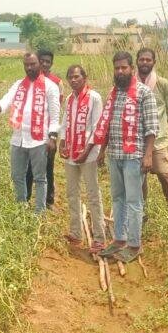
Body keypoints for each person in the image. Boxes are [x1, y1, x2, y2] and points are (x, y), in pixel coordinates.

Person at [95, 51, 158, 264]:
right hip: (115, 154)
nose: (120, 71)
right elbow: (107, 125)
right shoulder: (113, 92)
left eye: (124, 67)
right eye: (117, 68)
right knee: (117, 198)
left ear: (131, 68)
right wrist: (102, 151)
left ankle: (134, 244)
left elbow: (151, 127)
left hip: (134, 156)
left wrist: (148, 155)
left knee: (133, 201)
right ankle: (119, 239)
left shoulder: (143, 93)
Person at [0, 52, 61, 213]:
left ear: (39, 65)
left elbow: (55, 116)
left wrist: (52, 137)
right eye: (26, 65)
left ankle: (39, 212)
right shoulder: (18, 85)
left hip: (39, 139)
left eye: (32, 64)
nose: (29, 67)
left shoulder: (50, 87)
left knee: (40, 178)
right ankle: (21, 207)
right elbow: (7, 99)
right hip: (18, 138)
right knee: (17, 176)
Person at [58, 64, 107, 253]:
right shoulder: (70, 99)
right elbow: (65, 123)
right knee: (72, 194)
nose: (73, 80)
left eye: (77, 76)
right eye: (70, 77)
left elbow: (97, 128)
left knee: (93, 195)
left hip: (88, 155)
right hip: (71, 154)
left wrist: (86, 152)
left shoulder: (94, 98)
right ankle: (76, 232)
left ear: (84, 78)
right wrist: (62, 143)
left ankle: (99, 238)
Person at [136, 48, 168, 212]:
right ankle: (142, 210)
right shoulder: (132, 84)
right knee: (140, 178)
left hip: (158, 141)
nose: (145, 62)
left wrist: (158, 127)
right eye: (141, 59)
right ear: (137, 61)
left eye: (148, 60)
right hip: (137, 140)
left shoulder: (163, 84)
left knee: (164, 174)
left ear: (154, 62)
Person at [26, 49, 62, 208]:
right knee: (29, 168)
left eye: (48, 61)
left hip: (48, 132)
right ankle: (26, 198)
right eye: (42, 61)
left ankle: (49, 200)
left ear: (52, 63)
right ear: (37, 62)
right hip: (32, 133)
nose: (45, 64)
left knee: (48, 167)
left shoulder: (56, 82)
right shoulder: (29, 81)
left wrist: (53, 135)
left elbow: (57, 109)